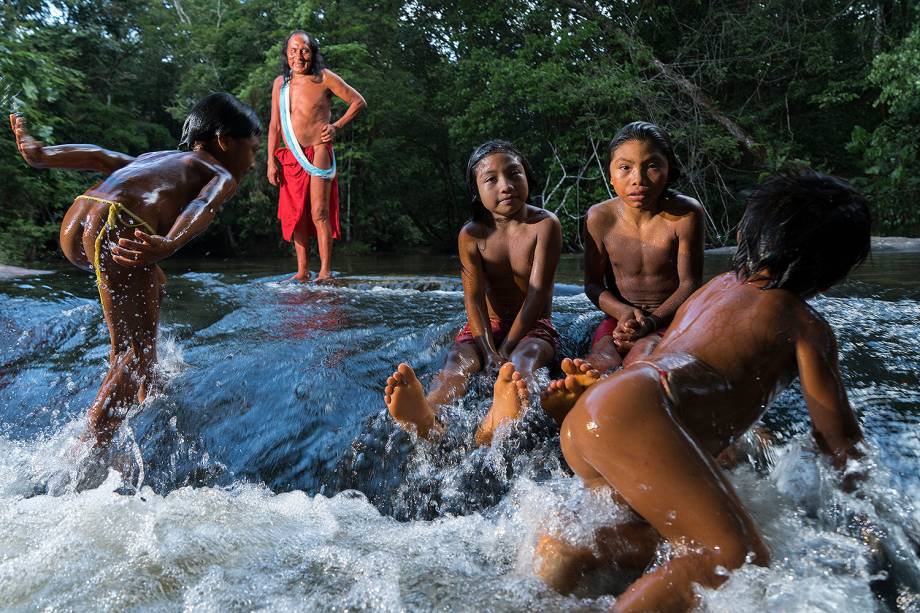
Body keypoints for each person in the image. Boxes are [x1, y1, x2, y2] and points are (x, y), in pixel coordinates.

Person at [535, 169, 869, 612]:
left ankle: (575, 548)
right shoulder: (805, 326)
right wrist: (869, 517)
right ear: (830, 277)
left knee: (667, 528)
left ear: (744, 237)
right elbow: (839, 440)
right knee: (734, 559)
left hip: (603, 411)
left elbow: (659, 347)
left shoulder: (716, 288)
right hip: (640, 412)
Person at [8, 93, 261, 447]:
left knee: (149, 293)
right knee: (135, 353)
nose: (252, 163)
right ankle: (92, 445)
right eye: (252, 150)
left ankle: (149, 385)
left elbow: (99, 156)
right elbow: (204, 205)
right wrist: (171, 241)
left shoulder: (157, 159)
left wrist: (43, 156)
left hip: (80, 216)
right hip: (119, 222)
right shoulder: (220, 172)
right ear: (224, 141)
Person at [383, 140, 562, 446]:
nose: (505, 186)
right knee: (457, 364)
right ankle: (430, 413)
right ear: (476, 193)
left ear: (526, 177)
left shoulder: (544, 225)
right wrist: (488, 349)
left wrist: (506, 347)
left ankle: (496, 419)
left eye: (514, 174)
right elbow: (474, 298)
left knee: (522, 362)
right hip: (484, 328)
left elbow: (537, 294)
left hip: (533, 327)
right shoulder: (472, 235)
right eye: (491, 179)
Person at [584, 121, 704, 373]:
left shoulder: (686, 214)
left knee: (642, 357)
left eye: (651, 166)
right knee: (601, 355)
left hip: (669, 320)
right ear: (610, 174)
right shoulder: (599, 218)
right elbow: (593, 285)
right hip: (619, 319)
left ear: (668, 170)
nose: (637, 179)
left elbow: (690, 284)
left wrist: (651, 323)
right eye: (625, 168)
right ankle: (583, 386)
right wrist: (623, 312)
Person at [266, 30, 366, 282]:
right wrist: (270, 161)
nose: (298, 56)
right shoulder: (280, 84)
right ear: (286, 54)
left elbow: (358, 101)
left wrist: (336, 127)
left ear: (313, 53)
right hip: (289, 156)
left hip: (319, 152)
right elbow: (275, 125)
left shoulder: (324, 78)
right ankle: (302, 271)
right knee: (295, 213)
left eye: (304, 50)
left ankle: (325, 271)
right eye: (293, 50)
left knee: (319, 212)